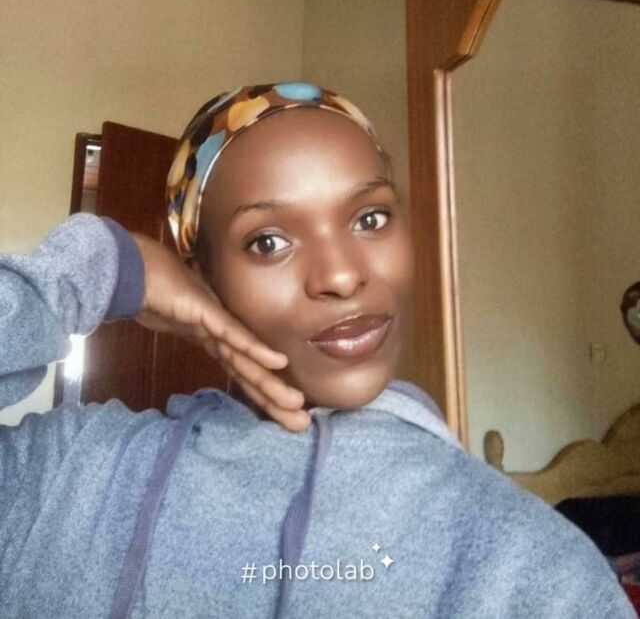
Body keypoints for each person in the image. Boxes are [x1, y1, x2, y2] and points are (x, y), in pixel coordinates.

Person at [0, 81, 634, 619]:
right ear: (201, 279)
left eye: (370, 219)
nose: (342, 275)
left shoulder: (528, 563)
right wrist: (105, 268)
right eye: (268, 241)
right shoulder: (72, 476)